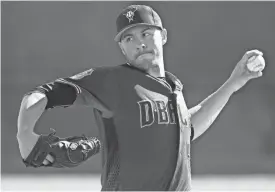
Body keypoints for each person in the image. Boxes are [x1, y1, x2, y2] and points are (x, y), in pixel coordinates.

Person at [16, 4, 265, 191]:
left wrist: (233, 83)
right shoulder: (112, 82)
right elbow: (45, 93)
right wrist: (24, 133)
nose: (139, 43)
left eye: (146, 33)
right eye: (129, 38)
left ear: (163, 36)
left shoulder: (173, 86)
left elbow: (186, 129)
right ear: (122, 48)